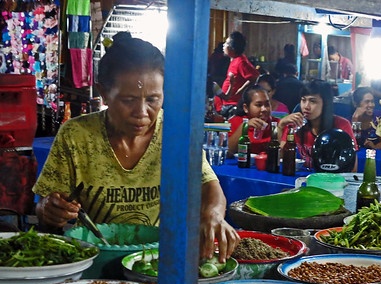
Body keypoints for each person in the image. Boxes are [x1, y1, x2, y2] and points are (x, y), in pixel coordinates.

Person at [32, 32, 240, 261]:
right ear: (104, 94)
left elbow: (209, 186)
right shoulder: (76, 136)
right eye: (128, 100)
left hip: (158, 261)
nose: (141, 113)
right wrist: (50, 210)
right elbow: (44, 207)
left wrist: (213, 214)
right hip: (95, 258)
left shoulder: (175, 132)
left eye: (152, 99)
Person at [278, 79, 357, 170]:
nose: (306, 106)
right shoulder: (296, 124)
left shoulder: (341, 125)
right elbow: (280, 157)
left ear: (326, 103)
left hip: (331, 180)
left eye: (313, 101)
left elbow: (352, 167)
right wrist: (281, 126)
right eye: (303, 100)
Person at [214, 31, 260, 117]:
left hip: (234, 105)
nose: (224, 45)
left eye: (226, 43)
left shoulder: (241, 61)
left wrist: (241, 90)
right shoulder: (234, 60)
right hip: (228, 103)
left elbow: (254, 77)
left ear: (232, 48)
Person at [227, 85, 280, 155]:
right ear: (246, 108)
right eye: (259, 105)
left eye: (267, 104)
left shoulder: (277, 124)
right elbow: (228, 151)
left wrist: (281, 128)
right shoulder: (234, 122)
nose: (264, 109)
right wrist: (245, 127)